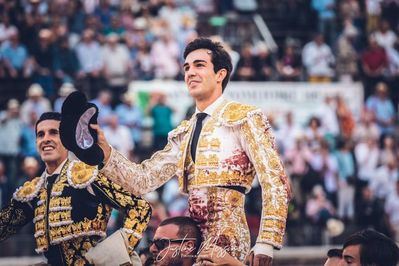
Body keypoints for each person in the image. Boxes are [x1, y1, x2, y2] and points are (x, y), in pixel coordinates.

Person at [93, 37, 290, 264]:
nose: (190, 72)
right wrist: (105, 151)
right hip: (191, 243)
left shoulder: (244, 117)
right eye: (186, 67)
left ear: (220, 74)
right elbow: (143, 180)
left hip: (229, 241)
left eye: (199, 65)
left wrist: (266, 241)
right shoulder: (184, 132)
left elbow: (274, 179)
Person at [0, 112, 152, 265]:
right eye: (40, 135)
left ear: (66, 139)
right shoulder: (34, 190)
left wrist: (110, 256)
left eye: (53, 133)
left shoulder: (87, 175)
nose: (46, 139)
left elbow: (140, 207)